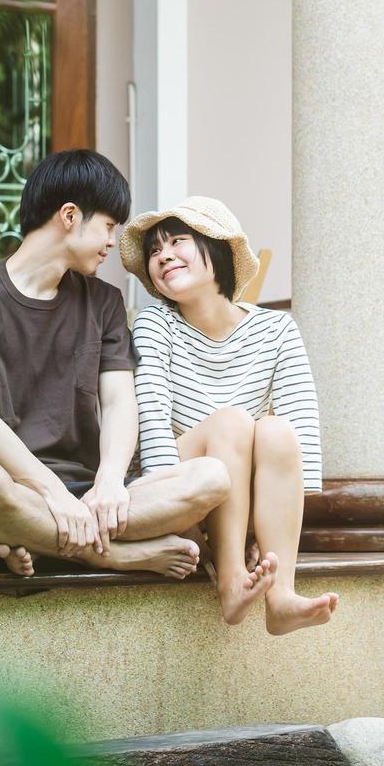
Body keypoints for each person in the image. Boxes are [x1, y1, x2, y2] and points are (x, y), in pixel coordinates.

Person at [0, 150, 231, 578]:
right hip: (7, 491)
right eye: (108, 226)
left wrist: (108, 481)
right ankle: (110, 556)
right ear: (70, 215)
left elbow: (121, 403)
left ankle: (31, 542)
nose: (112, 242)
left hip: (89, 499)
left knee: (212, 477)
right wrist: (51, 493)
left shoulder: (104, 302)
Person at [120, 196, 339, 635]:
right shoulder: (153, 325)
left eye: (178, 241)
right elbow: (153, 427)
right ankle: (232, 581)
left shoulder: (276, 329)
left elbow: (303, 435)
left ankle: (281, 599)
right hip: (172, 489)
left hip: (240, 502)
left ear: (218, 250)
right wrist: (182, 520)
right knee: (233, 421)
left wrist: (262, 532)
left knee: (276, 430)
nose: (163, 255)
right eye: (154, 252)